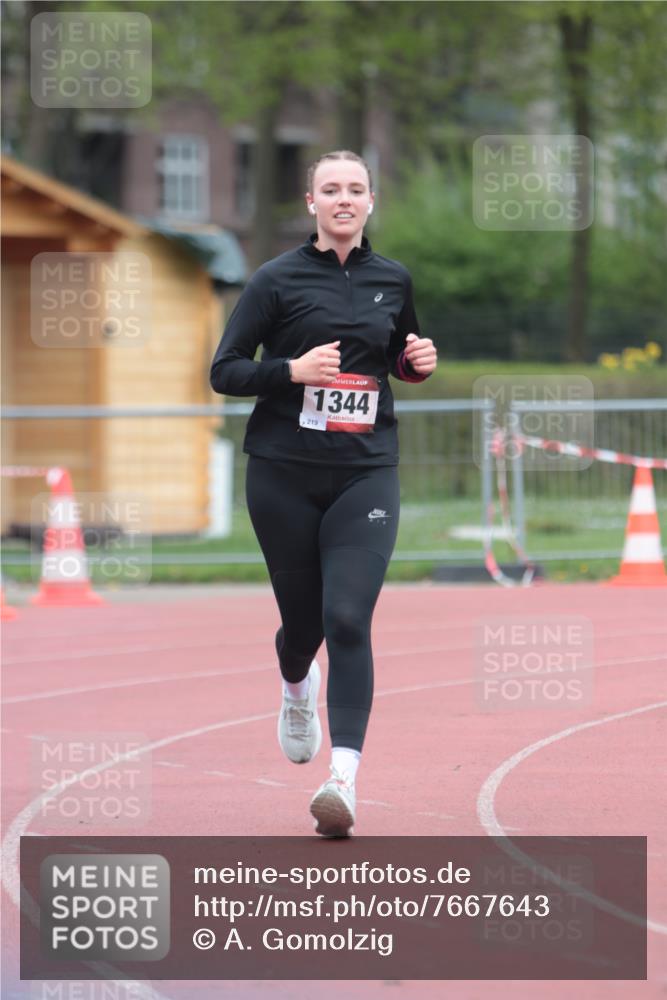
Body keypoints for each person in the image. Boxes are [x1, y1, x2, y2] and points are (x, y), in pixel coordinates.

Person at [209, 150, 437, 837]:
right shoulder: (274, 280)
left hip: (365, 470)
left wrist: (414, 364)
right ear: (310, 202)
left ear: (371, 202)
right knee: (302, 630)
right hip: (281, 471)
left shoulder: (391, 279)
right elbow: (224, 371)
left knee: (346, 620)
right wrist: (291, 370)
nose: (344, 199)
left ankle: (342, 779)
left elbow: (394, 354)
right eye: (330, 189)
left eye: (356, 189)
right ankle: (293, 688)